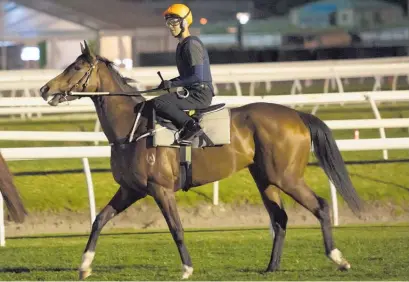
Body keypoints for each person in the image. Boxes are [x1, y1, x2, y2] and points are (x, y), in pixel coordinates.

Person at [152, 3, 214, 144]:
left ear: (185, 22)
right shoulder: (182, 45)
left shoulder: (191, 44)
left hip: (200, 95)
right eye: (168, 22)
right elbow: (188, 76)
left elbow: (197, 76)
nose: (170, 26)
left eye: (174, 21)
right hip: (193, 92)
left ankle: (191, 127)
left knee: (160, 102)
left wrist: (172, 83)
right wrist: (168, 83)